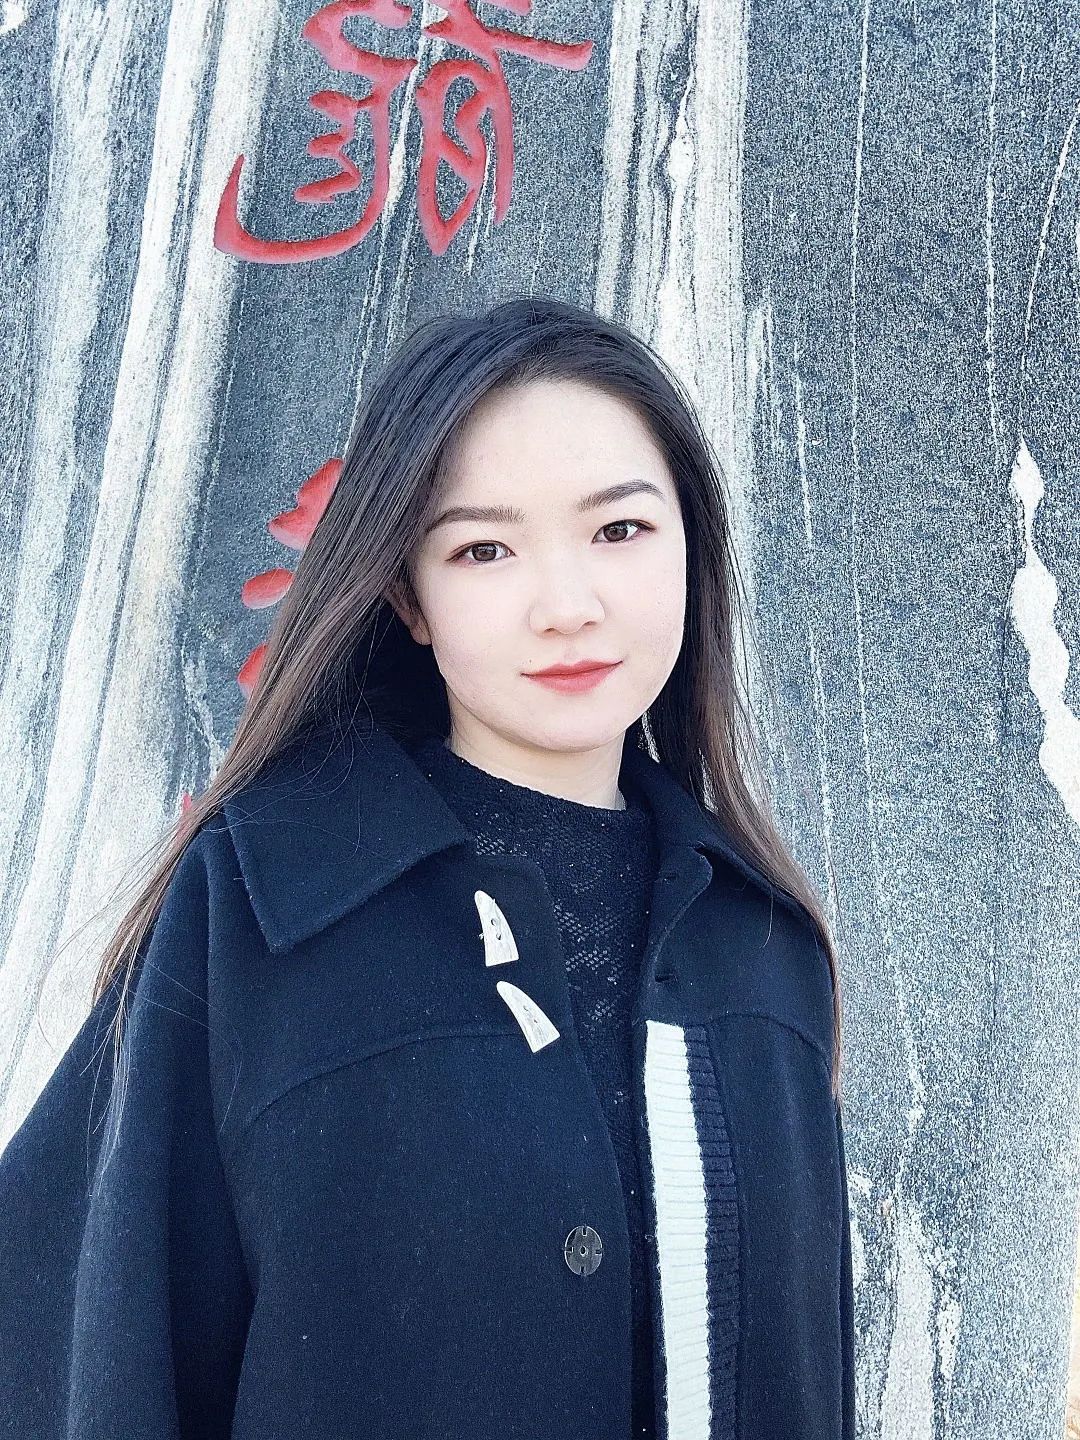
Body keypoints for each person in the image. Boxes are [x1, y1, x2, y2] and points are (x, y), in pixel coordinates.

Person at [0, 295, 855, 1440]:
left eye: (619, 531)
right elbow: (80, 1347)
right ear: (409, 596)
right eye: (484, 549)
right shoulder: (262, 908)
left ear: (692, 546)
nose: (567, 607)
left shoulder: (764, 946)